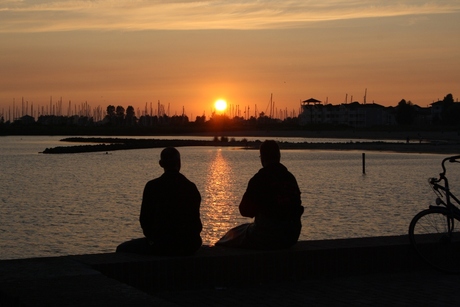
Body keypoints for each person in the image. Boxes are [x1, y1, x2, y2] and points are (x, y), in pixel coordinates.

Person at [216, 140, 304, 250]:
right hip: (292, 235)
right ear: (279, 156)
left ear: (262, 157)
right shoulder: (290, 178)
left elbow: (244, 211)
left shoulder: (259, 178)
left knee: (232, 235)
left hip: (266, 235)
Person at [116, 147, 202, 256]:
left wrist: (154, 239)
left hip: (162, 244)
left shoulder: (152, 186)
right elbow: (196, 222)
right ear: (179, 163)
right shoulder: (191, 187)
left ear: (161, 164)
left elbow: (145, 220)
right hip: (189, 245)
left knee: (121, 249)